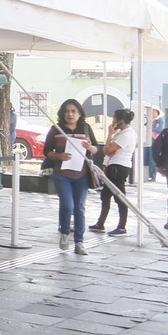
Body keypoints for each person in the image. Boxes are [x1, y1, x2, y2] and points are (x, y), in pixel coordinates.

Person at [43, 99, 99, 255]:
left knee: (80, 208)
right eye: (67, 111)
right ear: (62, 113)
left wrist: (90, 147)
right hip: (62, 173)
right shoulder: (56, 129)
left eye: (73, 111)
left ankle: (79, 241)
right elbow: (46, 151)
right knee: (67, 205)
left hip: (82, 174)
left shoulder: (86, 128)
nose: (70, 114)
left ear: (79, 113)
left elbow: (95, 149)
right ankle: (65, 233)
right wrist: (59, 155)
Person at [90, 109, 136, 237]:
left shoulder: (127, 135)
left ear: (120, 121)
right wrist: (110, 144)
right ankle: (100, 223)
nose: (112, 122)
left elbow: (108, 149)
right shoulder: (121, 133)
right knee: (105, 195)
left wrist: (110, 134)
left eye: (114, 119)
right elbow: (107, 150)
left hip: (119, 167)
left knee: (119, 196)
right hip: (112, 165)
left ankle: (122, 226)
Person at [147, 106, 164, 183]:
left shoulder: (159, 120)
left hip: (155, 140)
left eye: (154, 112)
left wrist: (151, 128)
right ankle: (150, 174)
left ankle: (153, 175)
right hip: (149, 140)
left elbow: (160, 130)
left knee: (153, 158)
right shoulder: (150, 120)